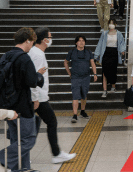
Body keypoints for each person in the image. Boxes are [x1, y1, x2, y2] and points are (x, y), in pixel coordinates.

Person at [29, 27, 77, 164]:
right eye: (50, 37)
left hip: (38, 96)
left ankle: (25, 153)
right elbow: (34, 78)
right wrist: (35, 98)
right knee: (51, 122)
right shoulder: (37, 55)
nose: (51, 40)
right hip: (38, 97)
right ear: (44, 40)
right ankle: (56, 154)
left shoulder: (35, 52)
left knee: (38, 124)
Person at [0, 27, 45, 172]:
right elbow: (32, 81)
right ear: (27, 40)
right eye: (32, 41)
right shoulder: (24, 58)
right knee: (28, 139)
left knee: (16, 139)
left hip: (7, 104)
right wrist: (39, 75)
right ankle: (3, 157)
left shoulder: (5, 56)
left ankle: (23, 168)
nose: (32, 44)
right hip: (22, 105)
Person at [64, 35, 97, 123]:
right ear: (76, 43)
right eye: (79, 41)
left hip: (86, 77)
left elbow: (92, 63)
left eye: (83, 41)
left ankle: (82, 111)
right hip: (75, 77)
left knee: (84, 94)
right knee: (75, 95)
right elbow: (65, 62)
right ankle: (75, 115)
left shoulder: (88, 52)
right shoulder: (72, 52)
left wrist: (95, 74)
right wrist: (69, 73)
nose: (81, 42)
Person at [94, 18, 126, 98]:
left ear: (116, 25)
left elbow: (122, 43)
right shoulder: (104, 33)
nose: (111, 25)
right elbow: (100, 44)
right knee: (104, 71)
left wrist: (122, 50)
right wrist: (96, 54)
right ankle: (104, 90)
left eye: (112, 23)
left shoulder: (119, 33)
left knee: (113, 70)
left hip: (114, 53)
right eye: (110, 23)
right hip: (106, 53)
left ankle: (113, 86)